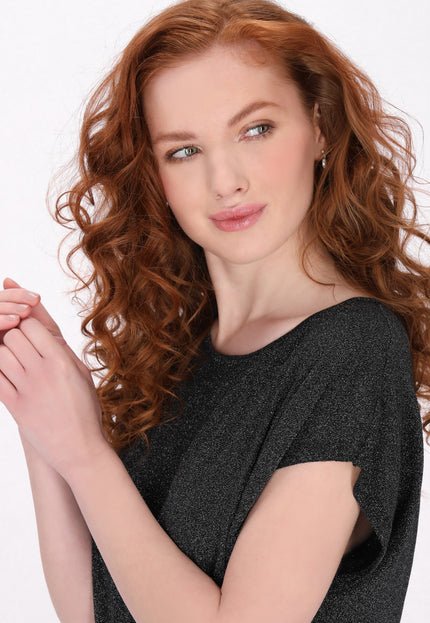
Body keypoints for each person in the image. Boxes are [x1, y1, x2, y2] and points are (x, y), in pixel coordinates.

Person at [0, 0, 429, 621]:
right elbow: (95, 612)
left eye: (256, 129)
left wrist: (86, 454)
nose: (225, 181)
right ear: (154, 175)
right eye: (184, 151)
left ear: (321, 126)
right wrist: (40, 412)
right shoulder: (181, 356)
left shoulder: (353, 351)